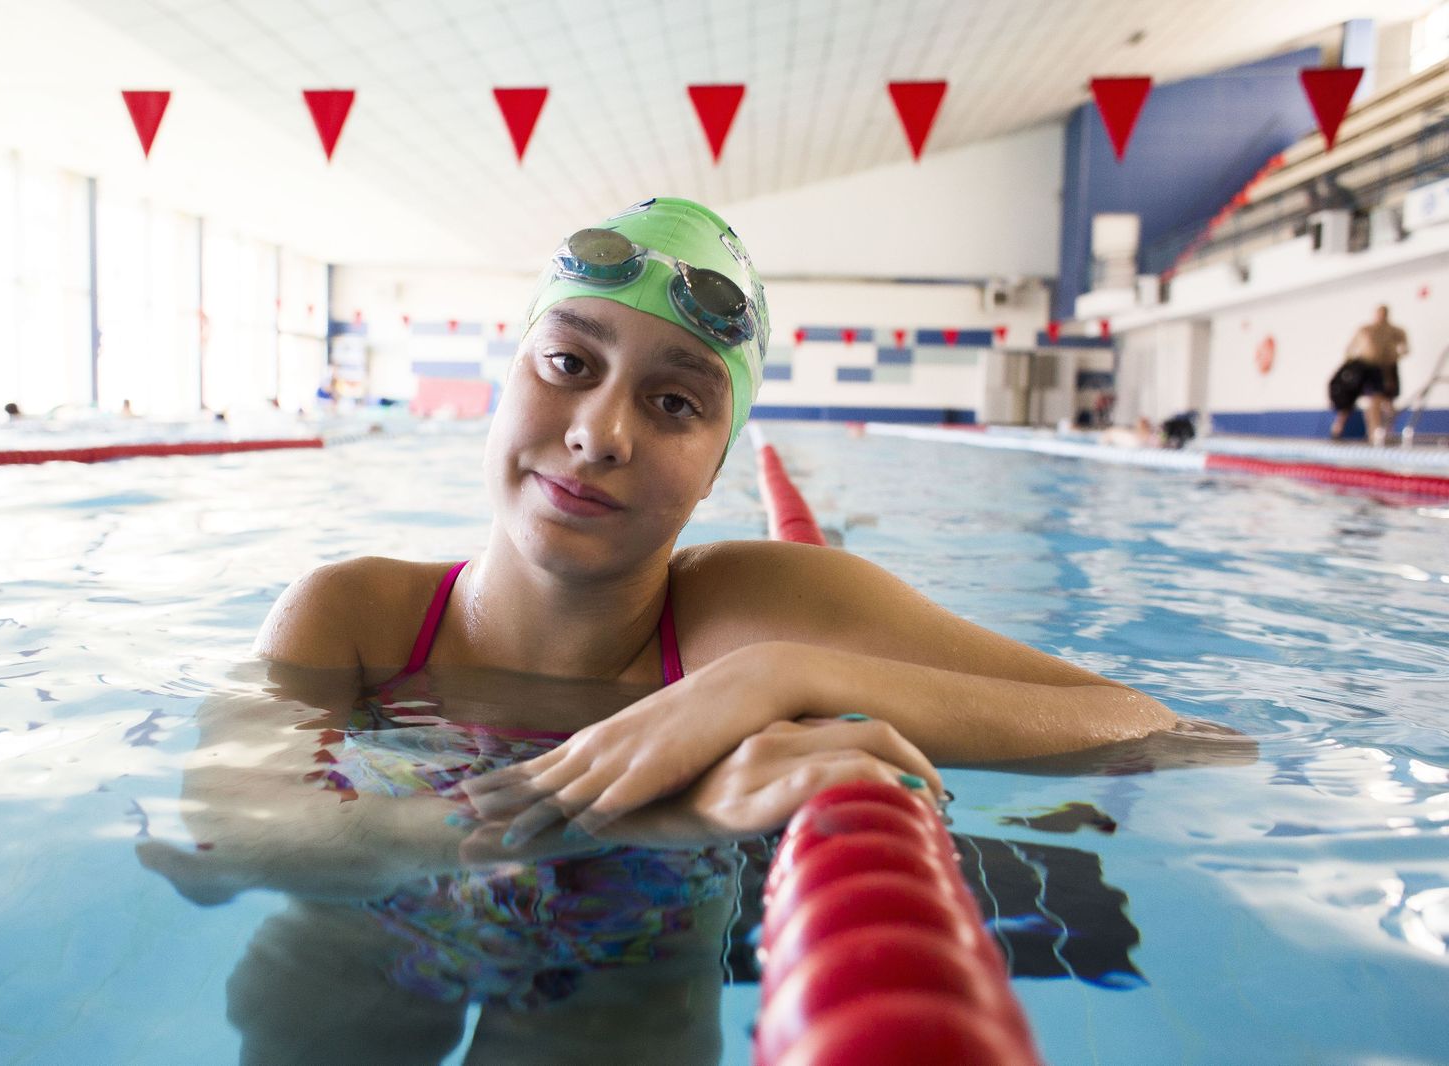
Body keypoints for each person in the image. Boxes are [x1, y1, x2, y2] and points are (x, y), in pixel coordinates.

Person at [137, 197, 1185, 1059]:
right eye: (569, 364)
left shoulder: (747, 615)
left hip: (626, 964)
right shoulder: (353, 617)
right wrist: (606, 816)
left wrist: (777, 674)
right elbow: (219, 844)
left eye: (676, 403)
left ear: (720, 466)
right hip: (364, 949)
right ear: (507, 380)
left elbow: (1155, 730)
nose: (599, 433)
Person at [1332, 305, 1409, 445]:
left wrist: (1394, 356)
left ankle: (1383, 433)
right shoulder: (1366, 330)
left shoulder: (1395, 331)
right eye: (1379, 314)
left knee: (1387, 402)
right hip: (1366, 368)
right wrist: (1350, 367)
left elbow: (1405, 349)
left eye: (1384, 314)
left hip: (1387, 368)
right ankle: (1362, 431)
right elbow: (1350, 349)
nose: (1381, 317)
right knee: (1365, 401)